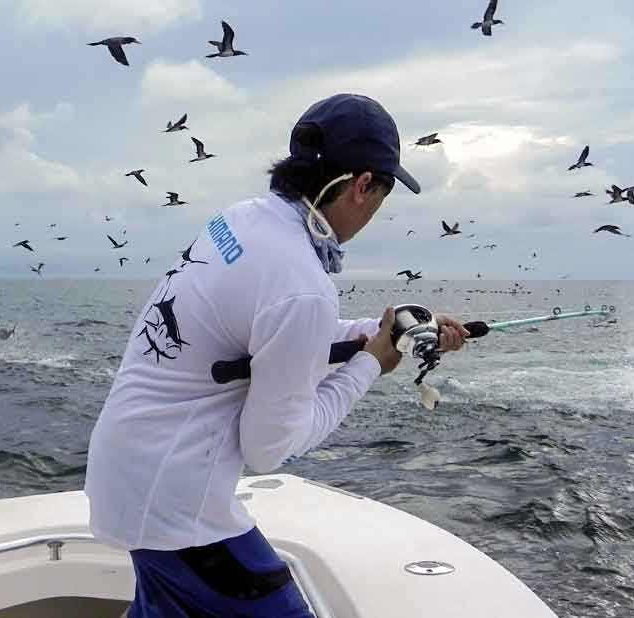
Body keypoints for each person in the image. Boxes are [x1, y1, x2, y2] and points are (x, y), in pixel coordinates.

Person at [84, 93, 470, 618]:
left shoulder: (241, 222)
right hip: (180, 511)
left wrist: (392, 325)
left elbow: (272, 327)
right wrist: (370, 365)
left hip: (128, 476)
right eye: (383, 194)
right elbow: (270, 447)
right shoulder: (300, 284)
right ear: (361, 186)